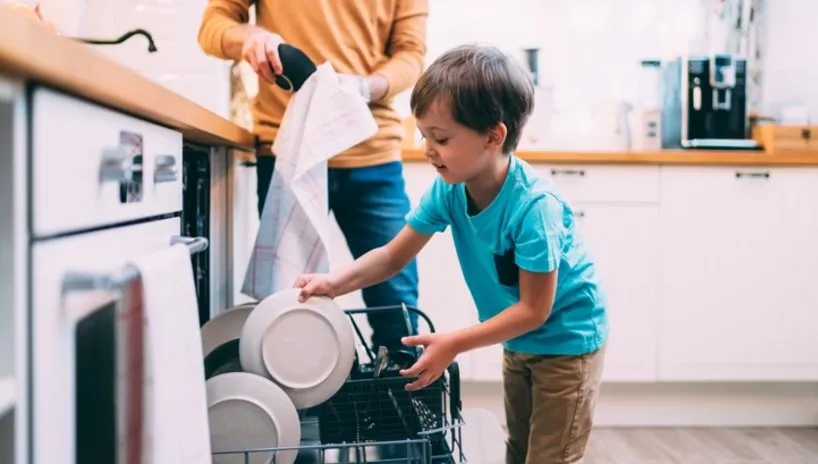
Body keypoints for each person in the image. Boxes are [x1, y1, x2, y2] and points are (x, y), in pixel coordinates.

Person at [294, 43, 610, 464]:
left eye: (440, 138)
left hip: (567, 342)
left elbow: (536, 309)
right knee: (518, 450)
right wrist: (334, 282)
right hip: (518, 342)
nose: (427, 149)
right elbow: (391, 257)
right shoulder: (450, 188)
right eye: (423, 134)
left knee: (550, 456)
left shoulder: (536, 209)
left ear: (493, 137)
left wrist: (454, 343)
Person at [197, 0, 429, 353]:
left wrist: (367, 86)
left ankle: (398, 399)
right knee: (289, 301)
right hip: (290, 151)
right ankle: (298, 407)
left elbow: (411, 54)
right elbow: (212, 26)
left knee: (395, 306)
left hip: (371, 151)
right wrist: (250, 37)